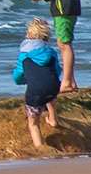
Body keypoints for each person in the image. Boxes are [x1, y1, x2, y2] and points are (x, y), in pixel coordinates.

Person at [12, 18, 61, 148]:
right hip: (54, 87)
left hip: (35, 92)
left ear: (28, 35)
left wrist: (23, 80)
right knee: (50, 95)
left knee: (33, 123)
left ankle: (40, 148)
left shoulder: (24, 54)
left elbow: (18, 75)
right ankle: (53, 119)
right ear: (46, 36)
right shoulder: (51, 52)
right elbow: (57, 71)